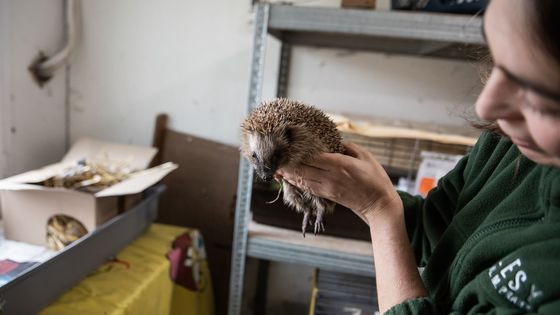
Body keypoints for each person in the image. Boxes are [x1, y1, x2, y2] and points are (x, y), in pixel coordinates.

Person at [277, 0, 560, 313]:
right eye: (499, 62)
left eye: (535, 92)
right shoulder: (508, 143)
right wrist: (360, 192)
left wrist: (379, 209)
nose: (485, 107)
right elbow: (435, 230)